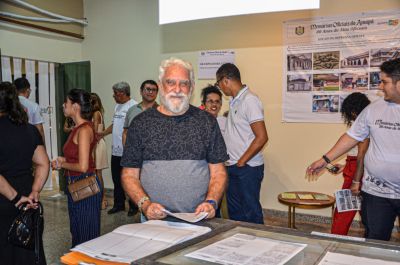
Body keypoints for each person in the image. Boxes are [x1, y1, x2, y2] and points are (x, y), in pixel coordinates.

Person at [121, 58, 228, 221]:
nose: (177, 89)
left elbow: (218, 173)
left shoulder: (207, 122)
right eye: (170, 82)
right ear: (161, 84)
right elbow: (129, 175)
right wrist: (145, 204)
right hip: (154, 220)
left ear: (191, 87)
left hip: (198, 217)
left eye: (184, 83)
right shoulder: (141, 123)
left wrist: (211, 201)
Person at [306, 58, 400, 241]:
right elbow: (352, 137)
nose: (380, 87)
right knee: (375, 241)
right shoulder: (373, 110)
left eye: (385, 82)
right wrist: (324, 160)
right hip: (376, 193)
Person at [0, 81, 49, 265]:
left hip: (6, 199)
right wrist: (35, 191)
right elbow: (43, 163)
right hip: (28, 199)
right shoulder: (29, 130)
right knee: (27, 249)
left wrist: (15, 198)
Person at [215, 63, 269, 224]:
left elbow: (262, 137)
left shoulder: (249, 100)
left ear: (225, 80)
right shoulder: (235, 101)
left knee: (250, 214)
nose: (220, 88)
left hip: (247, 168)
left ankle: (257, 245)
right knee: (236, 214)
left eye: (219, 84)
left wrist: (241, 161)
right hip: (233, 166)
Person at [51, 88, 101, 247]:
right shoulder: (78, 129)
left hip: (84, 184)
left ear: (76, 107)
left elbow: (83, 166)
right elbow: (78, 158)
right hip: (76, 185)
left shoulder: (85, 130)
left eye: (66, 102)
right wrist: (64, 159)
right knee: (78, 231)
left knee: (86, 236)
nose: (63, 105)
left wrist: (61, 163)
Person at [315, 93, 370, 235]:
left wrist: (355, 179)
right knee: (367, 212)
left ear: (352, 112)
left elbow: (361, 155)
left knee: (343, 211)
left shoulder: (362, 126)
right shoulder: (369, 122)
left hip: (356, 171)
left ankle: (336, 240)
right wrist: (345, 167)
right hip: (360, 168)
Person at [100, 82, 138, 216]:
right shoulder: (117, 106)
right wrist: (103, 133)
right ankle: (119, 204)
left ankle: (134, 206)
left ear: (122, 93)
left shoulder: (133, 106)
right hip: (116, 150)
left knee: (129, 179)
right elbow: (115, 124)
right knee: (117, 179)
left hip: (127, 150)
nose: (114, 95)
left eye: (115, 93)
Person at [122, 80, 159, 146]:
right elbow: (125, 133)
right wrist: (127, 151)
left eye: (154, 90)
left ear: (156, 93)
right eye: (148, 89)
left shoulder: (162, 112)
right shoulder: (132, 110)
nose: (151, 92)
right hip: (134, 153)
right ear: (141, 91)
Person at [91, 93, 109, 210]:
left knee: (98, 173)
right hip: (95, 143)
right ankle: (98, 199)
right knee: (95, 173)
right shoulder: (96, 113)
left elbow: (94, 131)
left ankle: (102, 200)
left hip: (97, 144)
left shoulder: (96, 113)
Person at [14, 77, 45, 142]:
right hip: (29, 141)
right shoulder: (34, 106)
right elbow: (40, 129)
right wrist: (43, 147)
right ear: (28, 90)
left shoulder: (9, 105)